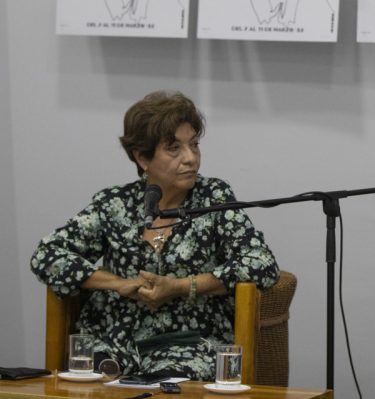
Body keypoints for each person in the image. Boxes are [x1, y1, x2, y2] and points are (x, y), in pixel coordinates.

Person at [30, 91, 280, 379]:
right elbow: (47, 255)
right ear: (142, 157)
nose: (190, 158)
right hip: (115, 342)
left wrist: (181, 286)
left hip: (189, 344)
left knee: (168, 383)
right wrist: (118, 283)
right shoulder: (114, 204)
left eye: (194, 145)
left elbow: (261, 263)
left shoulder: (213, 198)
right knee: (92, 378)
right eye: (174, 148)